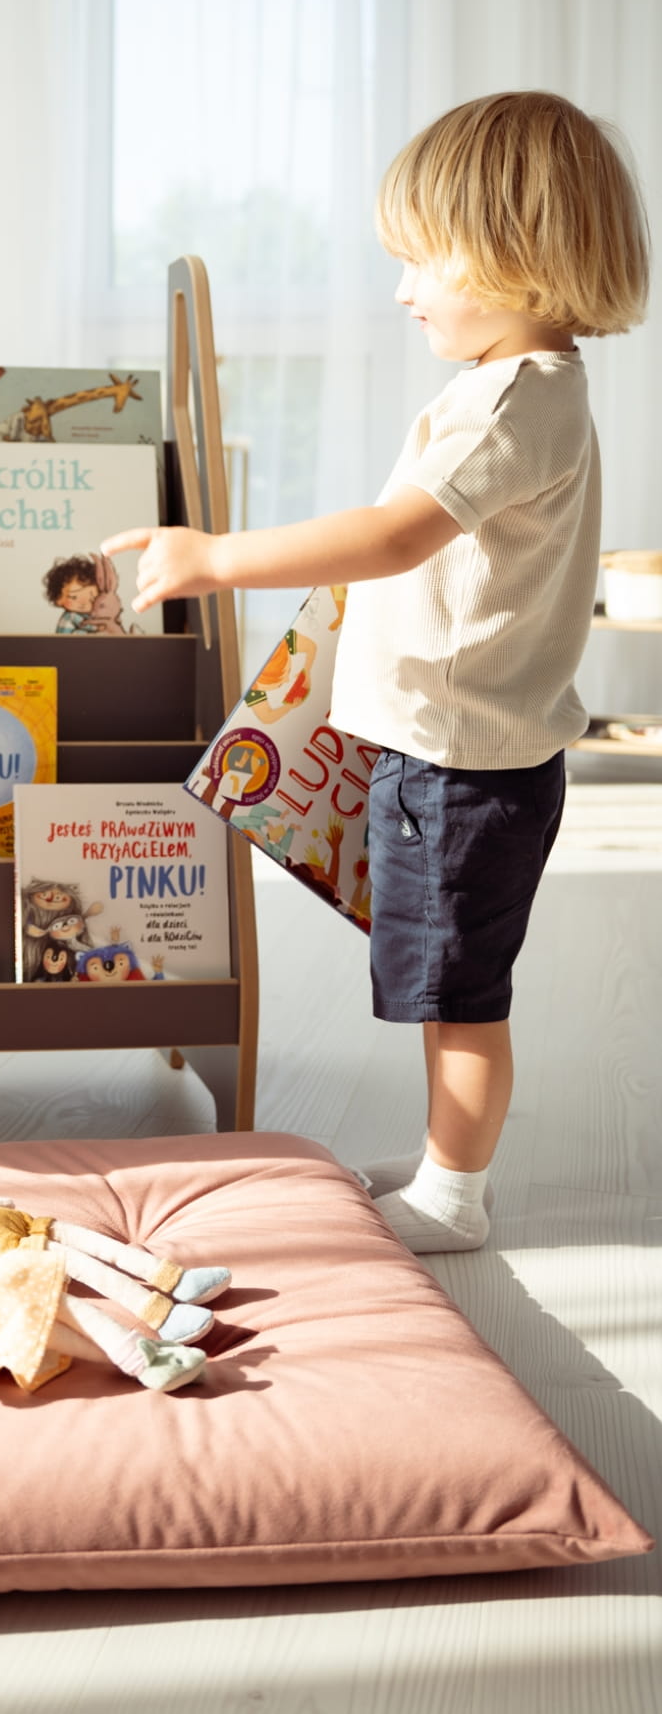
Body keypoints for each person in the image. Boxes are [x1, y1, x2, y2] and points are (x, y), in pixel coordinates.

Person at [104, 91, 650, 1252]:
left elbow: (393, 535)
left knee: (458, 991)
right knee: (441, 977)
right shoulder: (523, 390)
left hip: (463, 763)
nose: (401, 290)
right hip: (461, 748)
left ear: (518, 254)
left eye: (421, 262)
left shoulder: (509, 402)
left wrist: (215, 556)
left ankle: (453, 1194)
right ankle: (448, 1162)